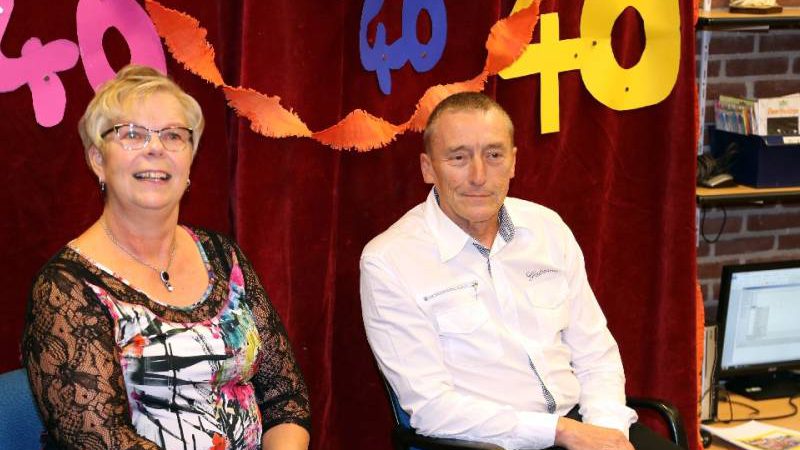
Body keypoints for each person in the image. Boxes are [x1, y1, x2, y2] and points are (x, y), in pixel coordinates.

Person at [359, 92, 681, 450]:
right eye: (458, 157)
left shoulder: (547, 227)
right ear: (428, 168)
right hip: (489, 444)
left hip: (584, 428)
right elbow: (433, 408)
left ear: (513, 162)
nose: (478, 176)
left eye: (493, 155)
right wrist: (561, 431)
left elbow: (596, 354)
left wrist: (608, 430)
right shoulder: (389, 261)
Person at [22, 65, 311, 450]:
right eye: (132, 134)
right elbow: (106, 442)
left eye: (173, 135)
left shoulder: (223, 256)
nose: (155, 148)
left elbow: (285, 398)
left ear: (190, 159)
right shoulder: (65, 288)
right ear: (97, 160)